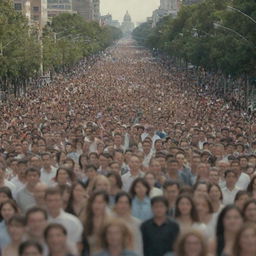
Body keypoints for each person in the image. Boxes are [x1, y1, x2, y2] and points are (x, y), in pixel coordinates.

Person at [114, 192, 143, 256]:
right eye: (120, 202)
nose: (123, 206)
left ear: (130, 205)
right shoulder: (110, 222)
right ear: (116, 204)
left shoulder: (138, 223)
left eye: (126, 203)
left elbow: (138, 245)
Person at [83, 190, 111, 255]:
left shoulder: (111, 222)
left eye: (100, 202)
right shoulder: (86, 221)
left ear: (106, 204)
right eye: (94, 202)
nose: (97, 205)